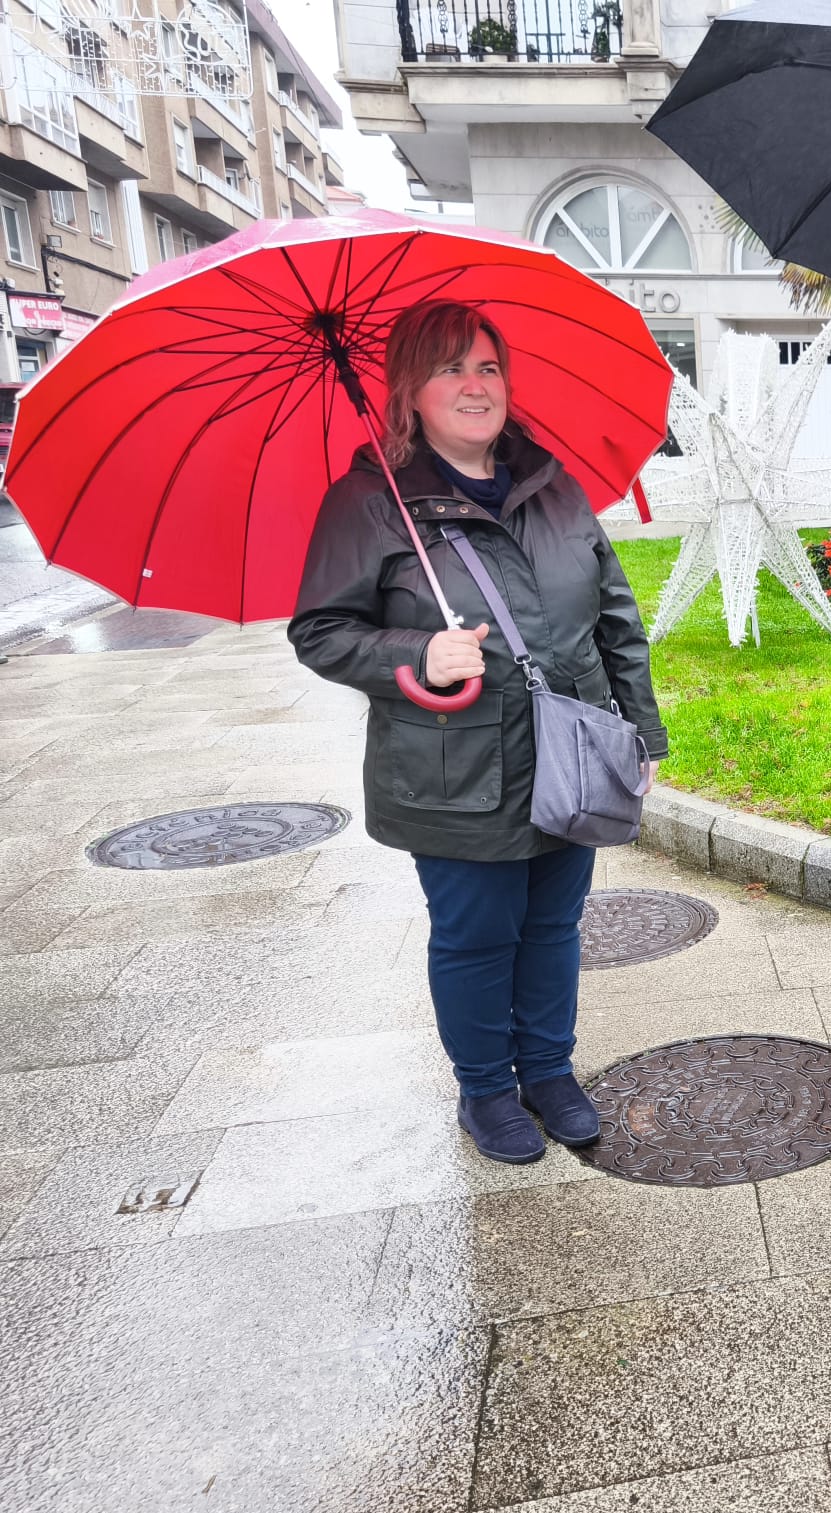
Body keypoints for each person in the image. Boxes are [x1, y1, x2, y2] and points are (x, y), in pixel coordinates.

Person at [289, 300, 666, 1165]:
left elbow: (615, 615)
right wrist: (418, 649)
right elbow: (320, 631)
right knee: (476, 934)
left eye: (488, 367)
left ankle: (549, 1070)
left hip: (567, 757)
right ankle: (487, 1088)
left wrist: (641, 735)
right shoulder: (371, 503)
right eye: (450, 368)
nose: (474, 385)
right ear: (410, 392)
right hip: (452, 771)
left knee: (554, 927)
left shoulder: (552, 485)